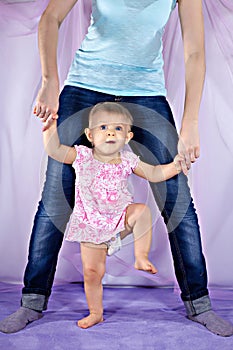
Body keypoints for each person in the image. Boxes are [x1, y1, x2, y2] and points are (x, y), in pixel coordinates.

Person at [0, 0, 232, 336]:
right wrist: (50, 81)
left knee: (178, 201)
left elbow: (195, 52)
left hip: (146, 94)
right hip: (84, 90)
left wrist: (190, 122)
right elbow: (51, 18)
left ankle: (199, 303)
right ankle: (32, 301)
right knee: (56, 197)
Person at [42, 101, 188, 328]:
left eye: (118, 128)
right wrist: (50, 128)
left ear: (128, 137)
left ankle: (141, 257)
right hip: (91, 224)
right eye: (103, 127)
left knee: (142, 211)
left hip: (120, 220)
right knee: (93, 272)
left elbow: (155, 173)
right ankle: (95, 312)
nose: (110, 131)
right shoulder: (82, 156)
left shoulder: (128, 160)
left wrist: (177, 165)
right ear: (89, 135)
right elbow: (54, 150)